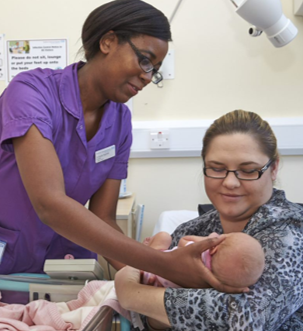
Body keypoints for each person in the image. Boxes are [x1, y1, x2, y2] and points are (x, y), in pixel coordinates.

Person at [0, 0, 242, 305]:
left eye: (153, 70)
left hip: (70, 267)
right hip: (9, 262)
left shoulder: (120, 121)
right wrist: (162, 264)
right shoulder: (31, 92)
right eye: (145, 60)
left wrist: (153, 279)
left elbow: (103, 217)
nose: (146, 76)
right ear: (108, 42)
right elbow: (49, 202)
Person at [115, 109, 303, 330]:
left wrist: (130, 293)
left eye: (249, 170)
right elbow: (146, 318)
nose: (230, 182)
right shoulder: (194, 229)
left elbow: (248, 321)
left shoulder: (291, 234)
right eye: (217, 168)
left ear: (273, 168)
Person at [142, 231, 265, 289]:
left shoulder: (198, 253)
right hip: (156, 286)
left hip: (153, 267)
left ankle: (148, 249)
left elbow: (183, 241)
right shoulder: (211, 283)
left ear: (214, 248)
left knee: (164, 236)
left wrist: (206, 240)